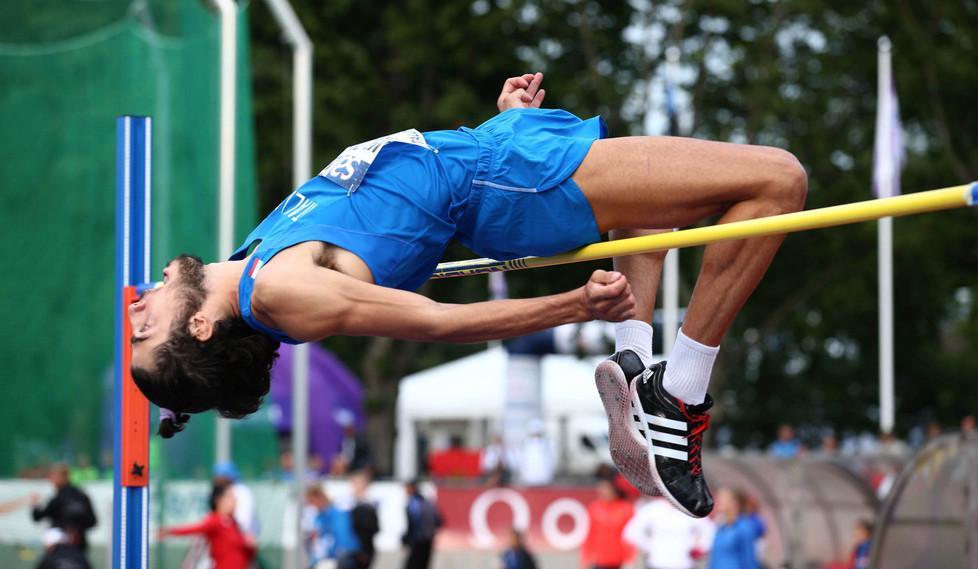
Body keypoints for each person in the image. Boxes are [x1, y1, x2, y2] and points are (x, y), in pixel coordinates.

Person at [127, 72, 807, 518]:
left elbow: (397, 202)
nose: (136, 308)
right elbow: (435, 321)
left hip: (494, 154)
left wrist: (499, 124)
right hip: (507, 181)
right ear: (202, 328)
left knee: (658, 199)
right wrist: (572, 306)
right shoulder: (279, 292)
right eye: (145, 329)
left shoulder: (251, 257)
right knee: (778, 182)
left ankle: (636, 364)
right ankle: (679, 395)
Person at [159, 482, 256, 569]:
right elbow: (193, 529)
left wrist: (250, 545)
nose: (235, 501)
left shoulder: (234, 523)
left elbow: (245, 553)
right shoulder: (214, 520)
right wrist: (170, 531)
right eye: (230, 497)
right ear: (219, 500)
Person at [623, 497, 714, 569]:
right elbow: (631, 532)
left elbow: (709, 531)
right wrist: (649, 547)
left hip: (684, 563)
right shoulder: (652, 509)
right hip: (657, 562)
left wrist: (699, 549)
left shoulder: (690, 508)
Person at [31, 464, 97, 553]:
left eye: (54, 477)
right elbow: (92, 522)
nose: (52, 481)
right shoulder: (82, 496)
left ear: (64, 477)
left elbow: (38, 517)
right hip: (79, 545)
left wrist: (35, 505)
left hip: (60, 546)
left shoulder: (59, 498)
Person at [580, 478, 634, 569]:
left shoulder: (626, 509)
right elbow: (590, 535)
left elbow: (630, 537)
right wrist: (585, 558)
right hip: (599, 560)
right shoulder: (594, 508)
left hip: (619, 560)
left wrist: (629, 559)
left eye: (606, 489)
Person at [707, 489, 760, 569]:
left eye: (723, 500)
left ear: (734, 504)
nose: (718, 503)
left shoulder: (744, 528)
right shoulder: (720, 528)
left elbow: (749, 560)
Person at [402, 480, 441, 569]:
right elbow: (438, 521)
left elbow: (413, 523)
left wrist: (407, 537)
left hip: (418, 540)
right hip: (428, 540)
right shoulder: (427, 502)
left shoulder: (413, 503)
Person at [349, 470, 380, 568]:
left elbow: (374, 528)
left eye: (360, 483)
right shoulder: (347, 503)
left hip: (364, 547)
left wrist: (363, 550)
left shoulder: (369, 505)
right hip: (350, 548)